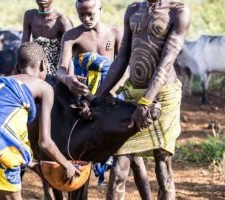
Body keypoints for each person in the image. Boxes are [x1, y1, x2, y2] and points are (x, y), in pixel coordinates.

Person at [94, 0, 191, 199]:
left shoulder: (178, 12)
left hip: (162, 98)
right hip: (133, 96)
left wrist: (146, 102)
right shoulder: (133, 9)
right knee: (119, 165)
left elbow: (167, 61)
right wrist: (96, 97)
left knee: (162, 166)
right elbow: (121, 59)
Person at [56, 0, 151, 199]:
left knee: (132, 157)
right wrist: (68, 79)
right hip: (86, 103)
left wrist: (112, 93)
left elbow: (126, 65)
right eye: (81, 14)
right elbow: (62, 68)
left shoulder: (116, 32)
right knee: (82, 157)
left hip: (115, 101)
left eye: (90, 13)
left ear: (100, 9)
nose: (86, 18)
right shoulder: (72, 36)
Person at [0, 42, 80, 200]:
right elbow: (45, 142)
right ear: (42, 64)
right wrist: (67, 165)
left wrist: (32, 165)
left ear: (18, 67)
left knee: (0, 191)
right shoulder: (44, 87)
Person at [22, 0, 73, 75]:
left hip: (56, 68)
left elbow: (69, 52)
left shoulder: (62, 21)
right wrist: (22, 69)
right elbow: (24, 46)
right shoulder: (29, 16)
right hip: (35, 63)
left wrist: (69, 76)